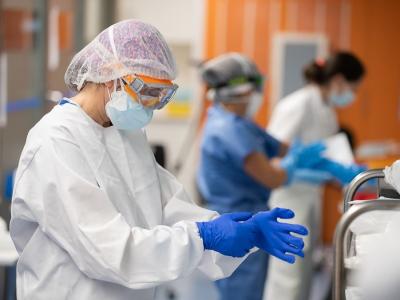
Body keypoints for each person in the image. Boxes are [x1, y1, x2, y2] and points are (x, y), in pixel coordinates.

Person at [9, 20, 309, 300]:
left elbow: (166, 207)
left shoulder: (125, 133)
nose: (148, 106)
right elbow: (109, 250)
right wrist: (203, 237)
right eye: (145, 91)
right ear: (109, 74)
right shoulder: (55, 141)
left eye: (159, 96)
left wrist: (233, 228)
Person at [197, 53, 329, 300]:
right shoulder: (228, 129)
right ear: (243, 89)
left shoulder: (238, 122)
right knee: (243, 292)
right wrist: (293, 165)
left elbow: (280, 147)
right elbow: (272, 178)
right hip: (236, 222)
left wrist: (312, 156)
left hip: (251, 216)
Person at [264, 52, 366, 300]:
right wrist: (305, 166)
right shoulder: (297, 104)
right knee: (288, 278)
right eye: (353, 87)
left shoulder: (327, 111)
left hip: (309, 198)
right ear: (339, 80)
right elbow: (272, 158)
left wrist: (336, 170)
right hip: (288, 201)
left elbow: (328, 155)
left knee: (304, 275)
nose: (353, 94)